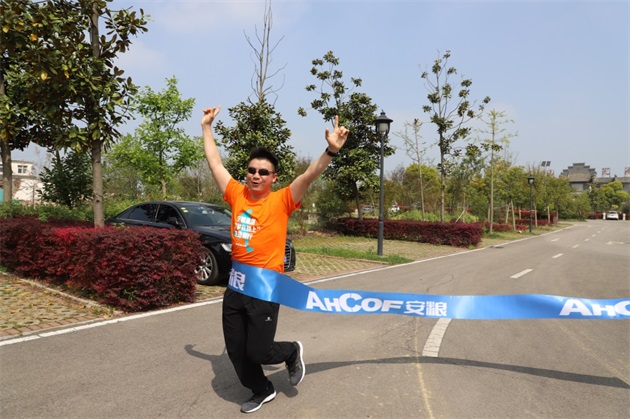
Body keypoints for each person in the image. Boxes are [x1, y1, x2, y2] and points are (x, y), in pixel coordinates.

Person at [201, 105, 349, 414]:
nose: (256, 175)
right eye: (252, 170)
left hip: (265, 288)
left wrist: (331, 151)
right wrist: (206, 127)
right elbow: (214, 162)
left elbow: (309, 175)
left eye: (263, 172)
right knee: (236, 351)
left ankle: (291, 351)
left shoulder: (282, 200)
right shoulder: (236, 193)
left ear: (273, 177)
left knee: (259, 351)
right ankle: (262, 389)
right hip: (236, 287)